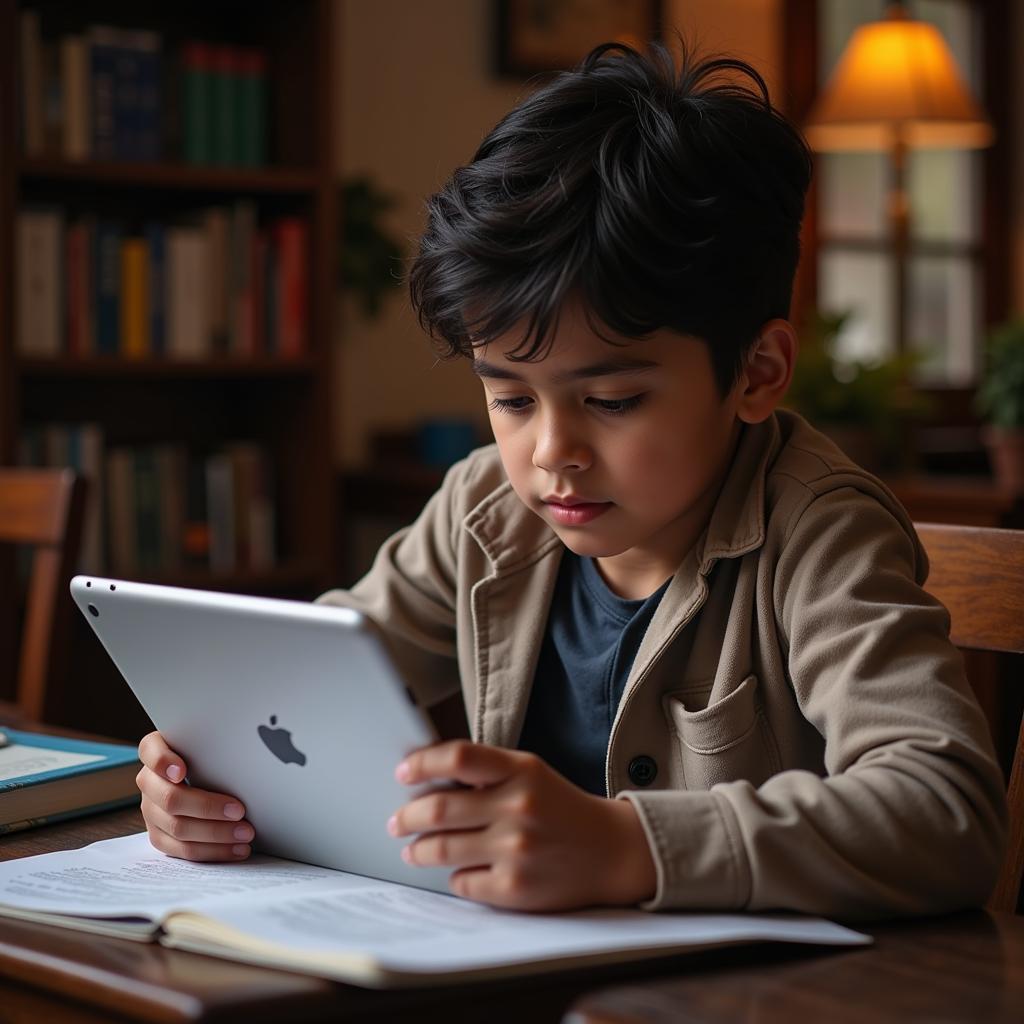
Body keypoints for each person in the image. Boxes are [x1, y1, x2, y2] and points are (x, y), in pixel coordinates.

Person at [135, 40, 1006, 919]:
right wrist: (200, 777)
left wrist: (629, 845)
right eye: (510, 398)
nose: (553, 451)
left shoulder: (819, 532)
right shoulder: (484, 507)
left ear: (756, 372)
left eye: (615, 399)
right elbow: (311, 676)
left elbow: (946, 810)